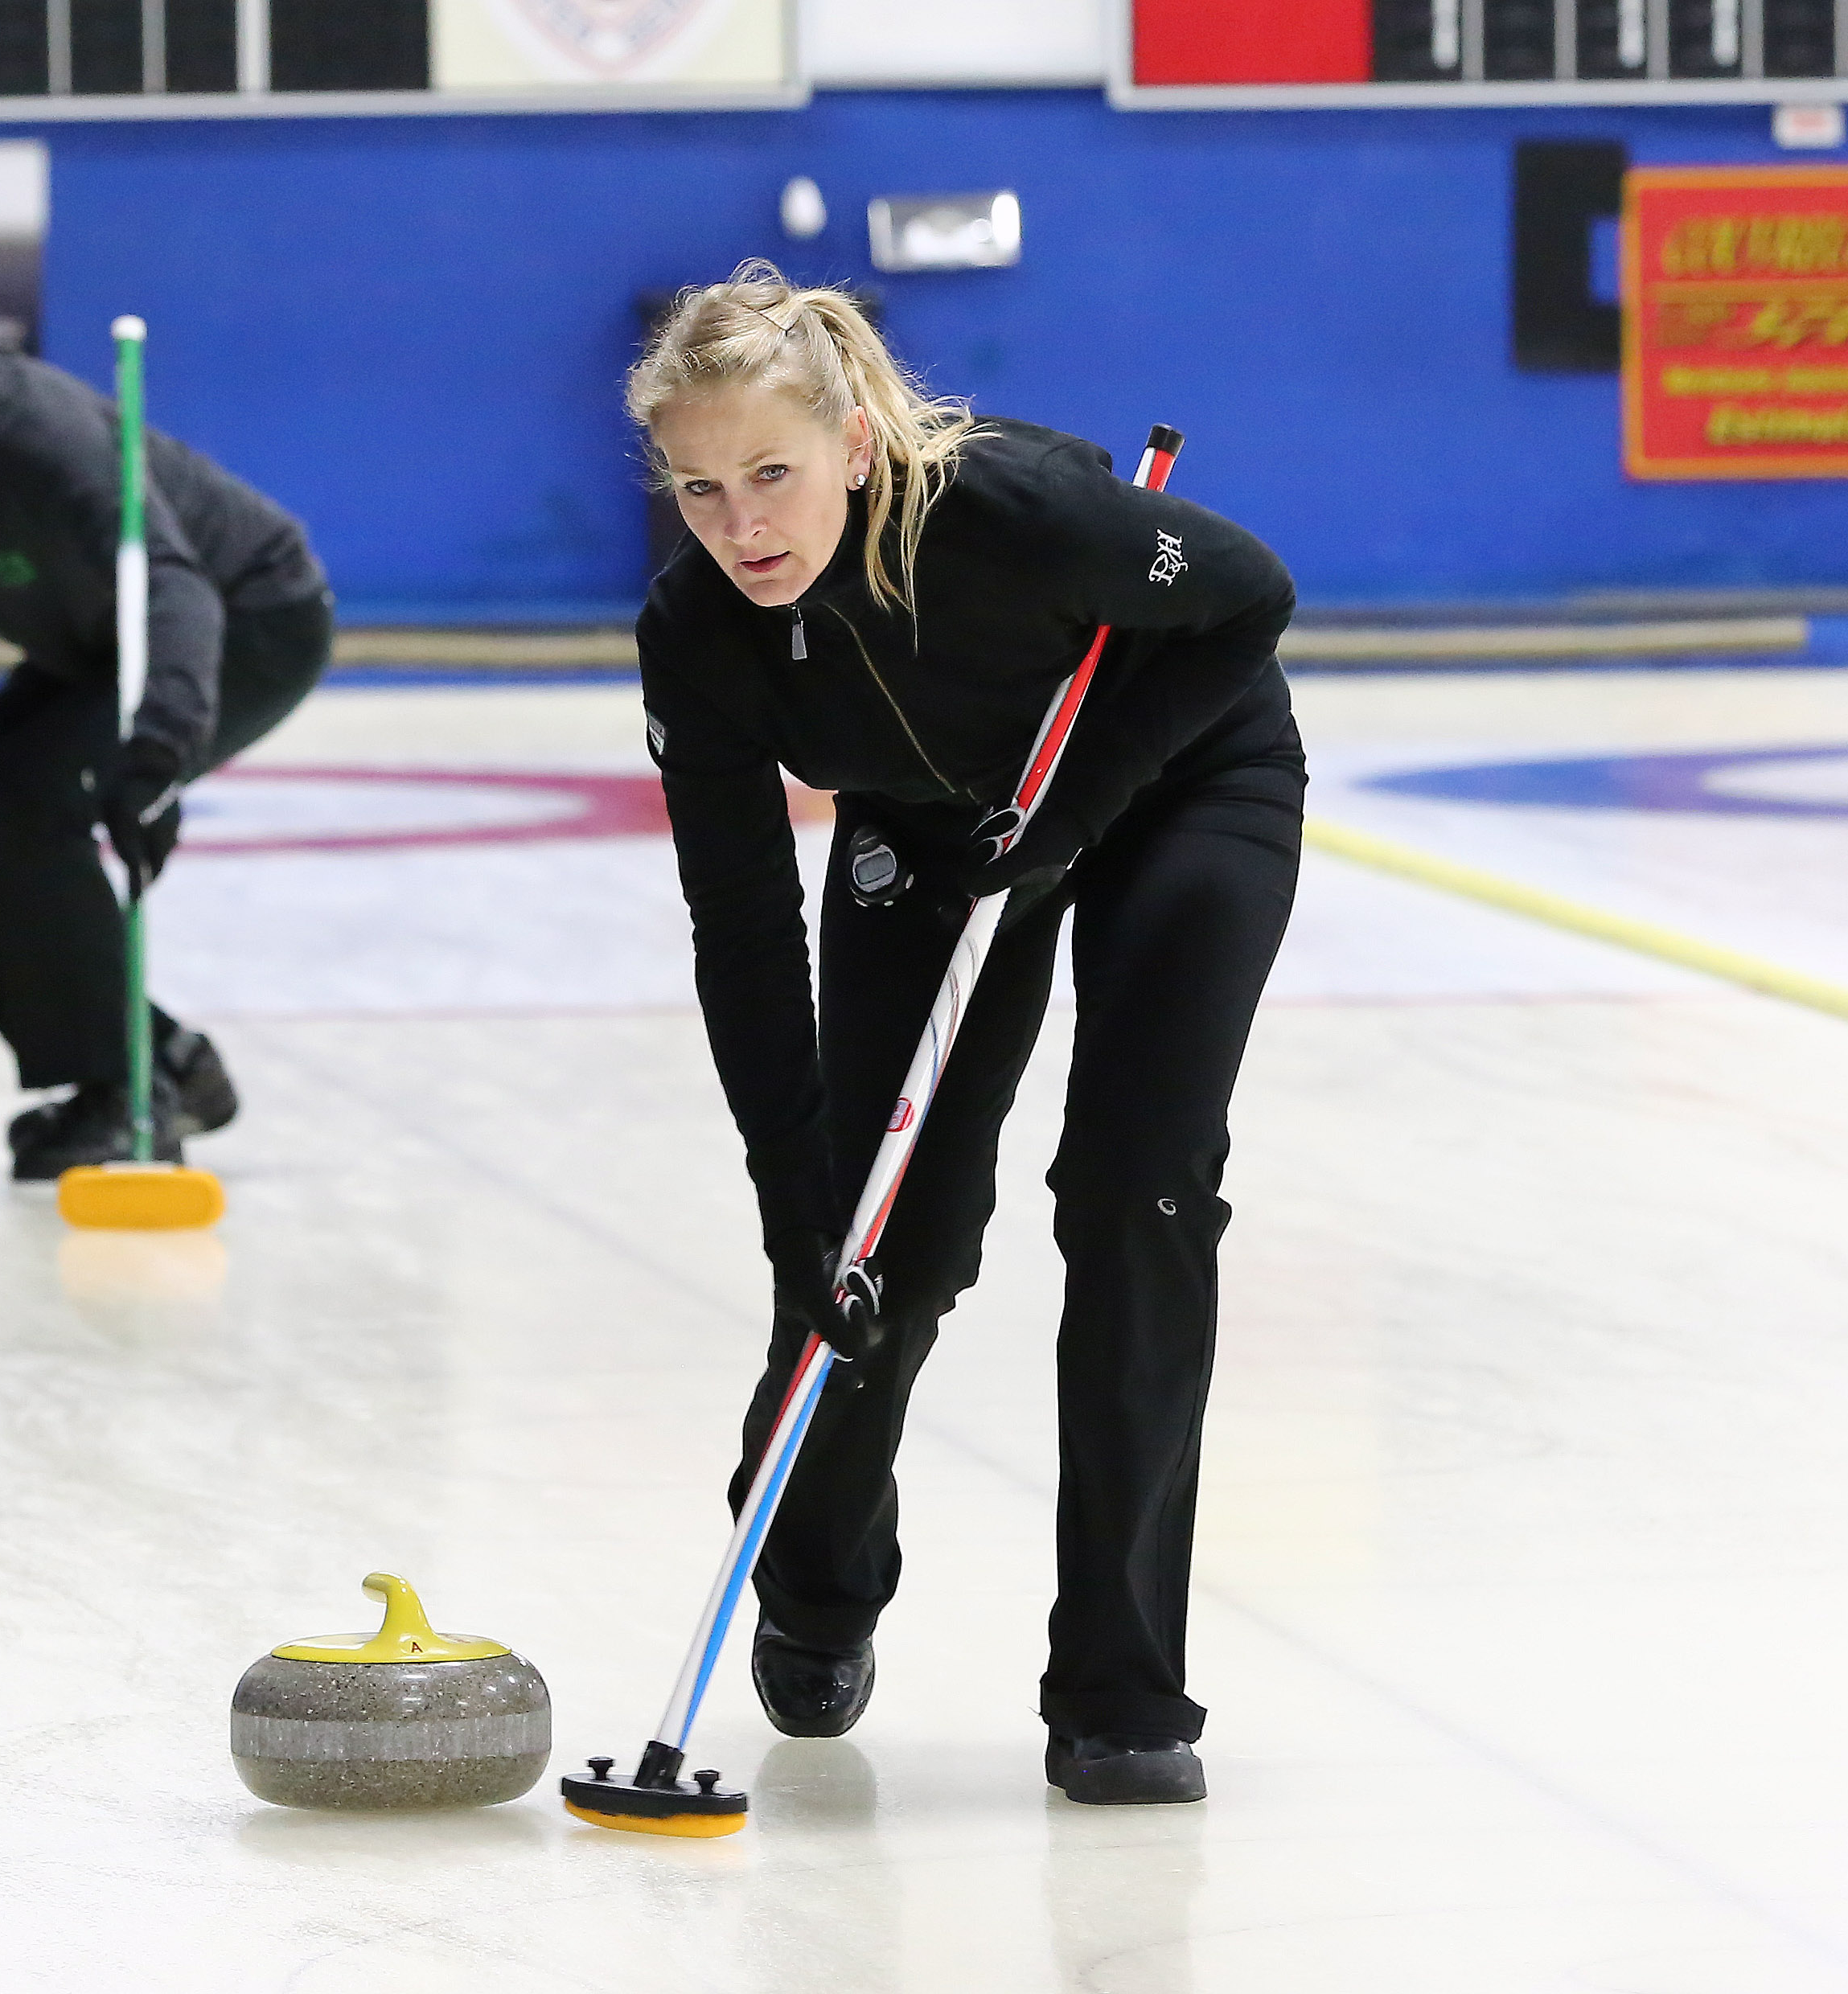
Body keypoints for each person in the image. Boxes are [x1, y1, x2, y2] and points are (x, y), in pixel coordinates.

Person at [629, 264, 1303, 1805]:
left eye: (773, 473)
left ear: (854, 443)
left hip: (1173, 771)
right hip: (938, 830)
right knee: (884, 1239)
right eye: (701, 489)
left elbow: (1247, 595)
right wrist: (795, 1210)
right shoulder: (698, 634)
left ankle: (1120, 1689)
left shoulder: (1014, 511)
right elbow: (740, 934)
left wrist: (1081, 799)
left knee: (1134, 1195)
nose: (742, 525)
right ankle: (812, 1575)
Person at [0, 228, 333, 1178]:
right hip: (92, 642)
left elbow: (178, 588)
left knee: (28, 801)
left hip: (243, 614)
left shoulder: (37, 436)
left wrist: (156, 757)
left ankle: (132, 1100)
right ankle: (147, 1063)